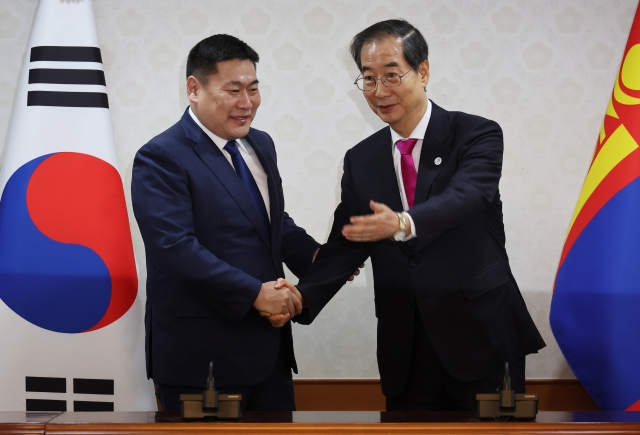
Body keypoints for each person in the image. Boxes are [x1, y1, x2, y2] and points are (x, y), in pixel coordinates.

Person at [271, 19, 545, 411]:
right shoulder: (361, 159)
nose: (380, 91)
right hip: (406, 349)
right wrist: (300, 297)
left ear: (424, 71)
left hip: (481, 338)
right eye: (368, 79)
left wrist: (403, 223)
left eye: (392, 75)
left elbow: (469, 194)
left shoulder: (475, 134)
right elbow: (347, 243)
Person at [131, 34, 320, 412]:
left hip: (270, 357)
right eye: (233, 90)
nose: (247, 104)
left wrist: (318, 257)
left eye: (253, 89)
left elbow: (268, 220)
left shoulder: (260, 144)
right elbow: (175, 248)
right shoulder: (161, 156)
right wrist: (256, 293)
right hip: (202, 361)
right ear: (194, 89)